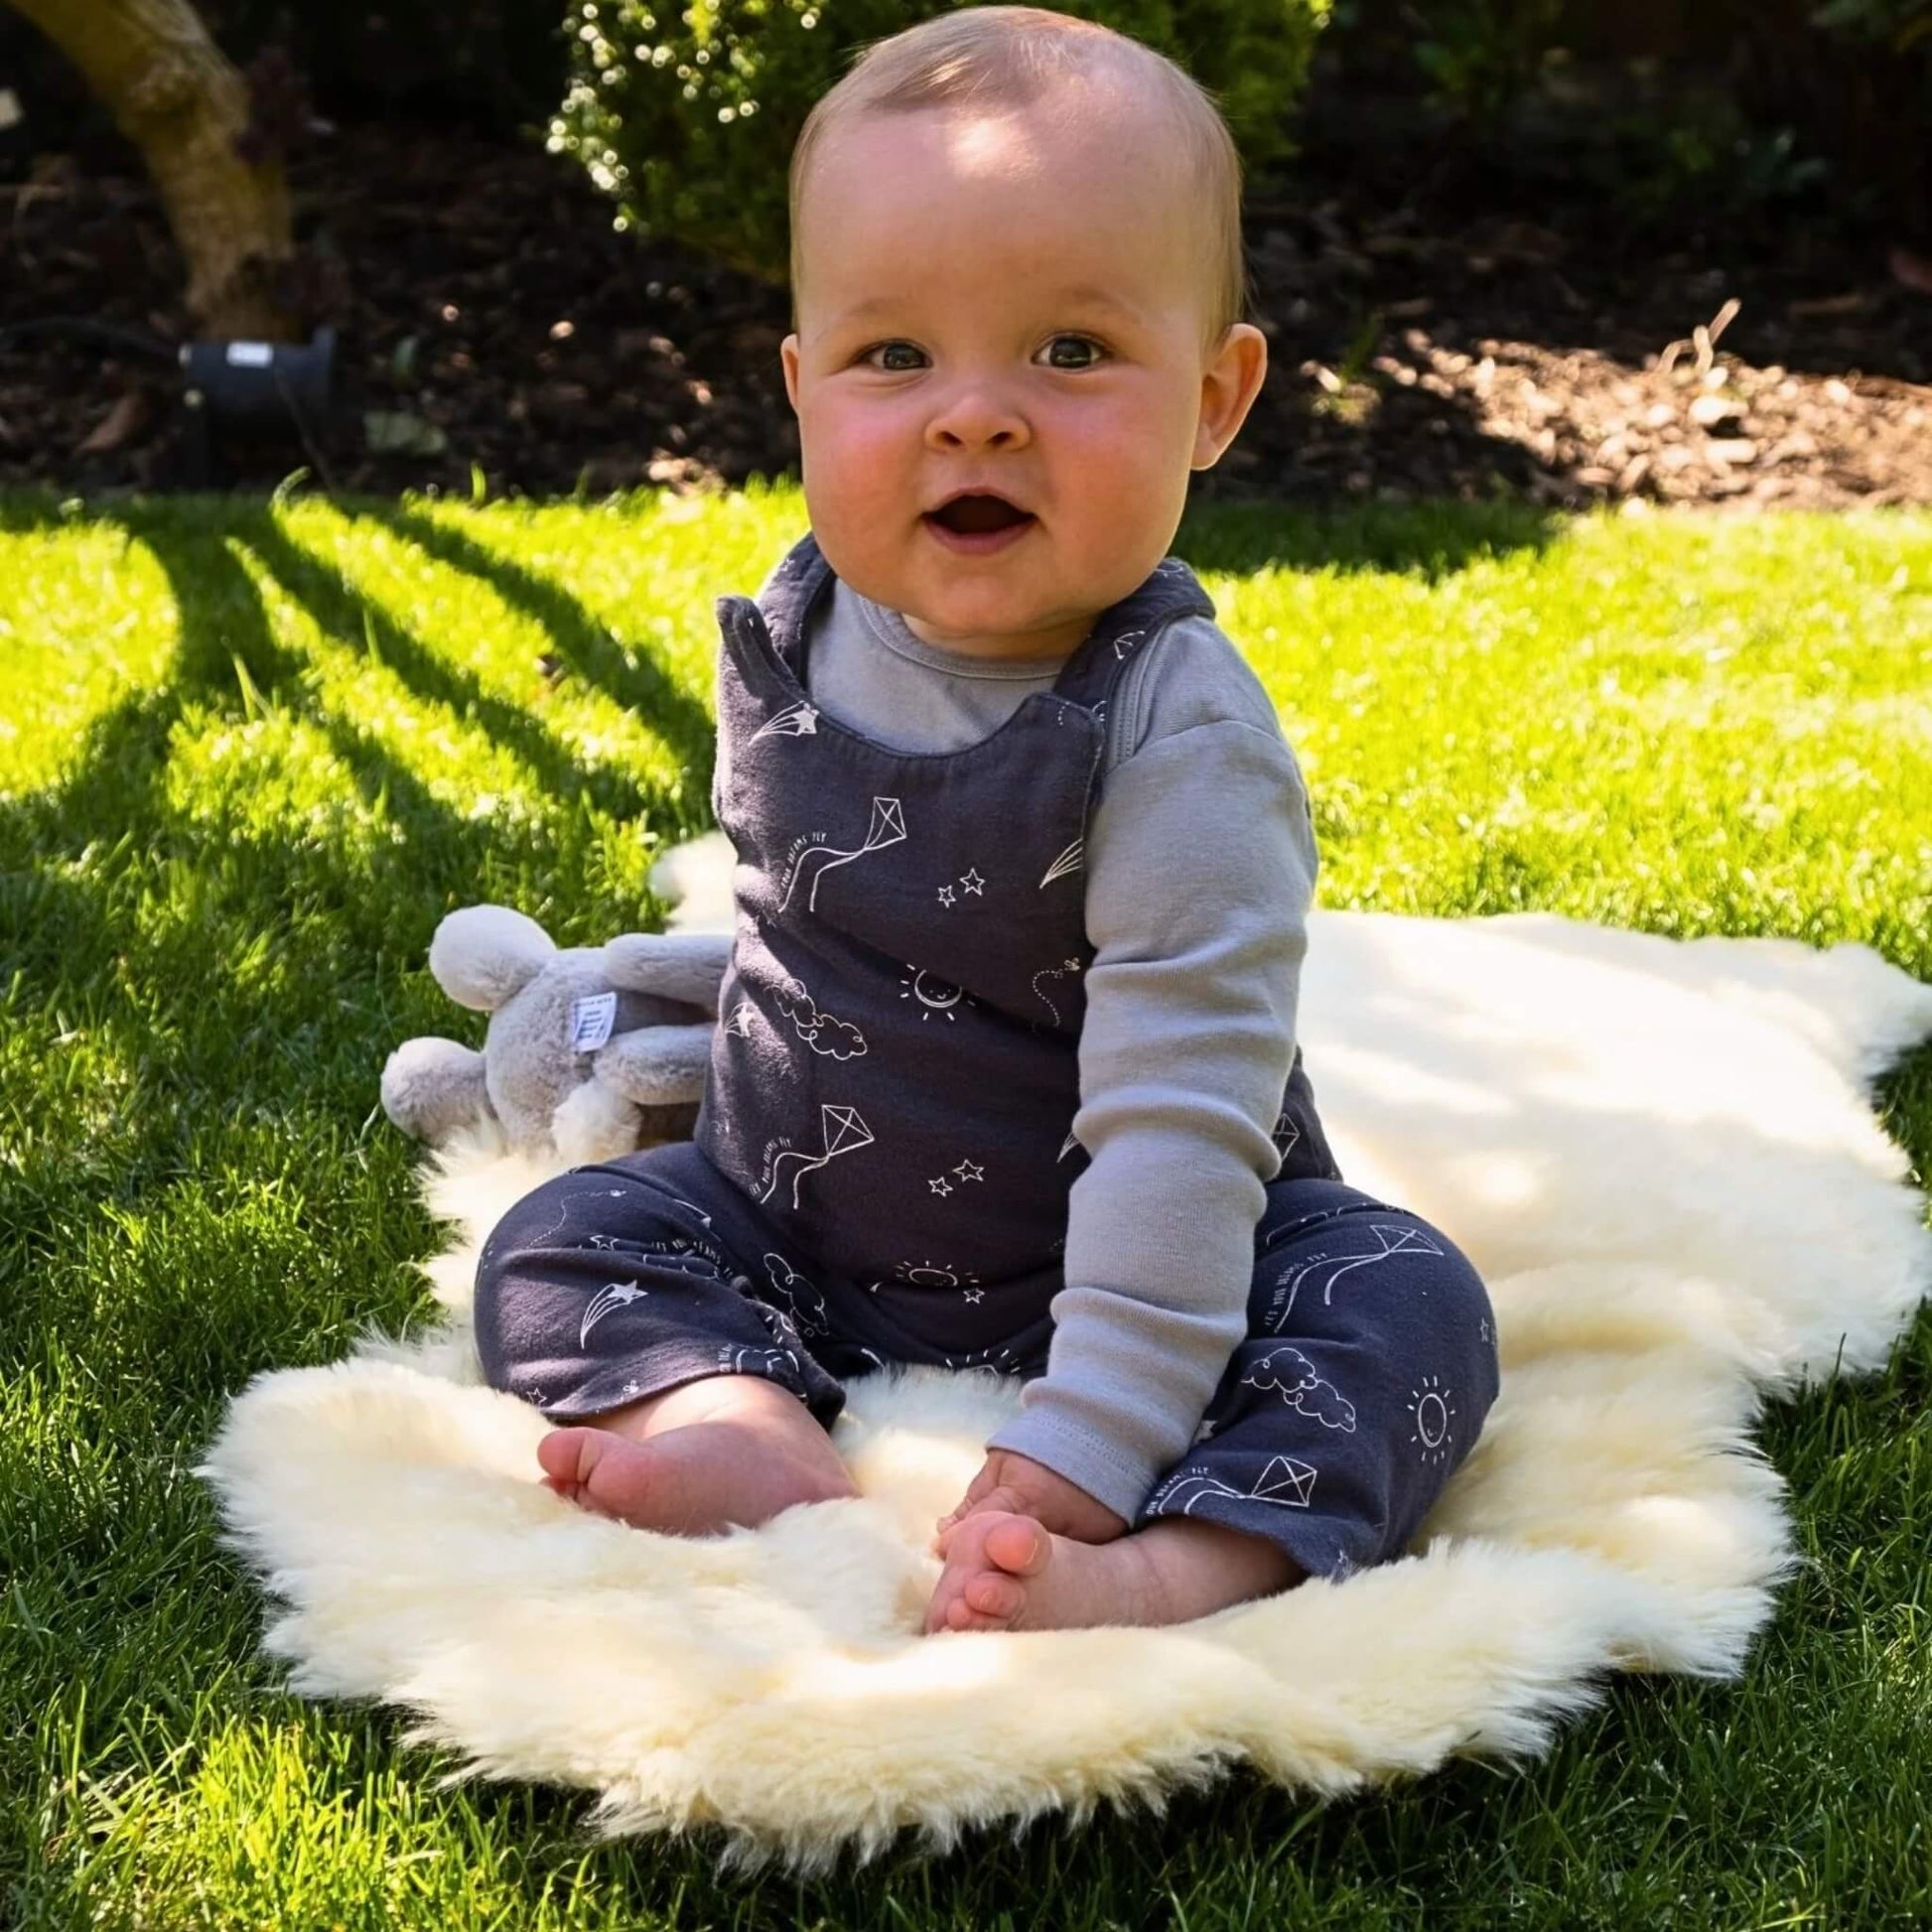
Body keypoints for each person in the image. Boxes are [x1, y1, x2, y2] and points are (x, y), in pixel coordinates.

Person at [474, 4, 1498, 1634]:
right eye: (895, 356)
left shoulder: (1176, 732)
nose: (974, 415)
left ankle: (1178, 1563)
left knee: (1404, 1308)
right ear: (803, 392)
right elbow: (795, 944)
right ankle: (728, 1414)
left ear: (1216, 401)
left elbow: (1181, 1114)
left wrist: (1094, 1435)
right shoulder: (790, 628)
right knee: (554, 1237)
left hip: (1149, 1263)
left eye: (1070, 351)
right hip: (791, 1214)